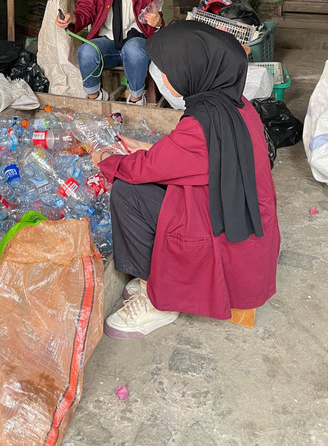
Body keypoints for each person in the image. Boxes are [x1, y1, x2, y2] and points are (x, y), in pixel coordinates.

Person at [93, 22, 280, 339]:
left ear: (192, 70)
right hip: (242, 227)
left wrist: (104, 159)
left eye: (165, 69)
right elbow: (199, 159)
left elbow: (143, 170)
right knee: (146, 184)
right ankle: (158, 279)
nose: (160, 77)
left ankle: (158, 300)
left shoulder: (201, 125)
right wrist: (155, 149)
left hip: (222, 240)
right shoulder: (235, 106)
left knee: (128, 192)